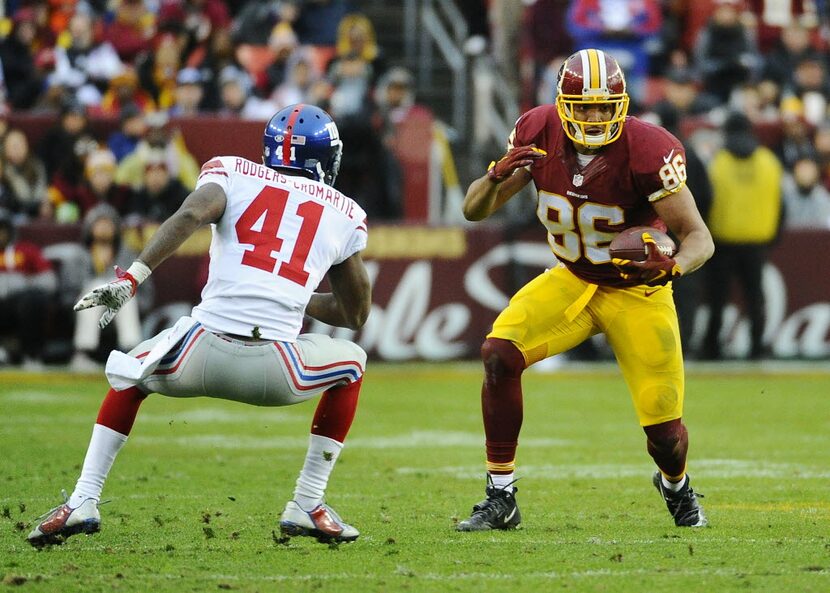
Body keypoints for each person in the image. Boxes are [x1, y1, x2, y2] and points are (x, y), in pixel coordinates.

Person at [28, 104, 372, 547]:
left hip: (198, 352)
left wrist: (132, 277)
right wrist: (289, 291)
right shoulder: (343, 211)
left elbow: (190, 215)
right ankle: (308, 502)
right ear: (327, 157)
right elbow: (355, 314)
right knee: (353, 363)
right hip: (278, 370)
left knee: (129, 375)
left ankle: (82, 500)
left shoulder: (234, 171)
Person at [456, 49, 714, 532]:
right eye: (583, 105)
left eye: (604, 106)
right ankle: (500, 496)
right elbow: (473, 210)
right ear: (561, 102)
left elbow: (700, 238)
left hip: (638, 290)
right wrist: (495, 175)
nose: (595, 117)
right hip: (572, 279)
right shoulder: (537, 130)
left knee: (665, 435)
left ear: (622, 102)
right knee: (498, 353)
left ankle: (675, 484)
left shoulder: (647, 148)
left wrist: (671, 268)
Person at [702, 111, 783, 360]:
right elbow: (780, 205)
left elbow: (705, 201)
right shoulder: (769, 161)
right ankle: (757, 348)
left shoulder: (717, 161)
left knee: (717, 298)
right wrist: (771, 237)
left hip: (722, 241)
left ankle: (712, 348)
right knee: (755, 298)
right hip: (757, 242)